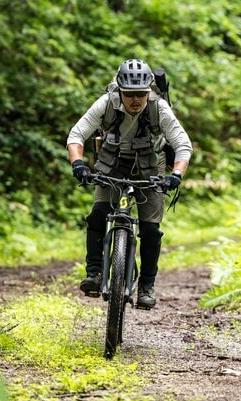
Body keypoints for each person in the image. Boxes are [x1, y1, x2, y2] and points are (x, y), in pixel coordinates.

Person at [66, 58, 193, 309]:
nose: (136, 100)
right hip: (112, 163)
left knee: (150, 229)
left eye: (141, 94)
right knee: (98, 214)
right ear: (120, 90)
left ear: (149, 91)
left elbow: (182, 145)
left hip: (150, 167)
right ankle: (94, 273)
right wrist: (78, 163)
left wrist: (176, 175)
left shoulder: (159, 108)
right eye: (130, 94)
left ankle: (146, 287)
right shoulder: (106, 104)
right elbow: (77, 134)